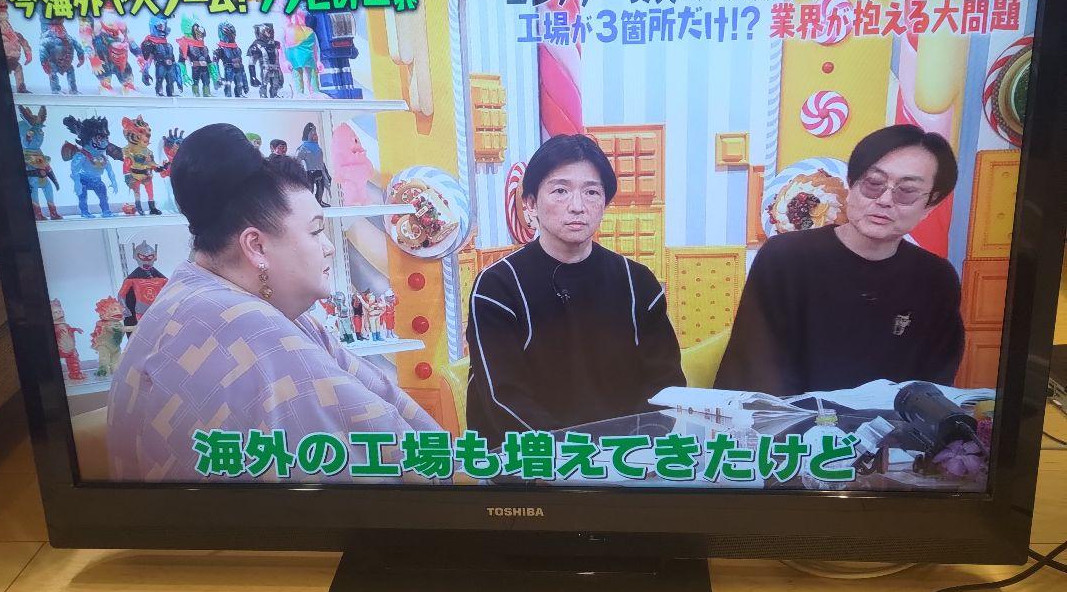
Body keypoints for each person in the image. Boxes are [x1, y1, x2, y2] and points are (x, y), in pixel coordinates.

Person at [106, 123, 438, 481]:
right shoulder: (245, 328)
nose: (328, 247)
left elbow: (384, 403)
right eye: (315, 231)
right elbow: (390, 465)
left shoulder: (196, 293)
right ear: (256, 246)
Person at [466, 134, 684, 446]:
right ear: (530, 203)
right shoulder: (497, 286)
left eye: (591, 192)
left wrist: (634, 449)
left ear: (604, 204)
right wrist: (575, 456)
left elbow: (665, 384)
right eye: (560, 191)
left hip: (625, 459)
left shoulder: (639, 282)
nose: (578, 207)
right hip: (532, 460)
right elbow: (503, 397)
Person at [715, 125, 965, 396]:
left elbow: (933, 384)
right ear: (851, 184)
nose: (884, 200)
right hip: (792, 418)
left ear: (930, 205)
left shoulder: (936, 279)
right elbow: (753, 372)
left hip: (890, 422)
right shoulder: (784, 258)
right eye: (873, 184)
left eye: (906, 191)